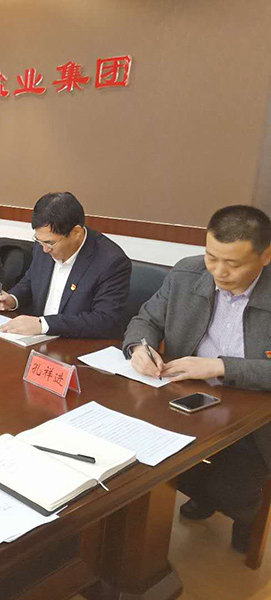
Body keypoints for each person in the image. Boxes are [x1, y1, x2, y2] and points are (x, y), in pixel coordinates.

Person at [124, 205, 271, 552]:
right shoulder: (186, 274)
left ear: (266, 256)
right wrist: (139, 347)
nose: (219, 272)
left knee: (231, 492)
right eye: (211, 257)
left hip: (253, 412)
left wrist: (220, 367)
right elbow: (145, 320)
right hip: (182, 398)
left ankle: (244, 515)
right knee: (137, 461)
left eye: (232, 264)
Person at [0, 192, 131, 338]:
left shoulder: (111, 262)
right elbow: (31, 279)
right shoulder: (43, 244)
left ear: (76, 232)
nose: (45, 250)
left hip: (76, 344)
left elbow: (105, 321)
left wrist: (44, 325)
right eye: (39, 241)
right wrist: (12, 299)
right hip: (36, 341)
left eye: (50, 243)